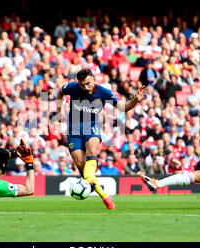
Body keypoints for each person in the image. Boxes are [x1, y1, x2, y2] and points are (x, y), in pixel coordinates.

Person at [56, 68, 147, 209]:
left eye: (88, 83)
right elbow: (60, 92)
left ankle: (98, 192)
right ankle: (104, 196)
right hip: (73, 130)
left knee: (91, 152)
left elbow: (123, 108)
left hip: (91, 127)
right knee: (81, 165)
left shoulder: (104, 93)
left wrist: (136, 100)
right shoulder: (72, 88)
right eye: (82, 84)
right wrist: (58, 111)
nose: (85, 87)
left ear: (94, 79)